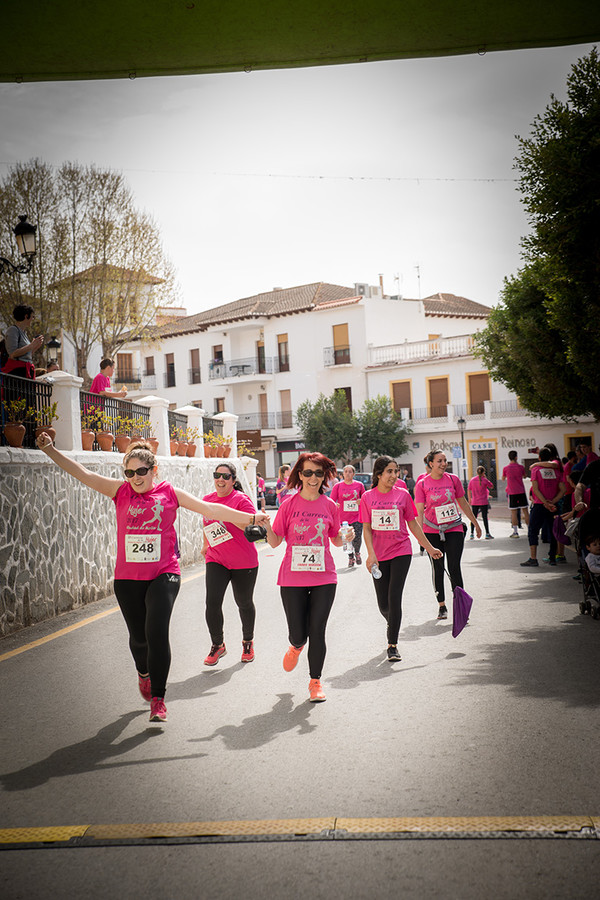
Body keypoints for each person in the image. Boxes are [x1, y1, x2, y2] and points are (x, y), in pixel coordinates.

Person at [35, 433, 269, 723]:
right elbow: (83, 473)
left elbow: (210, 509)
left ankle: (158, 699)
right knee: (138, 639)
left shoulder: (170, 493)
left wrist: (250, 519)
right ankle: (143, 673)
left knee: (156, 631)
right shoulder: (120, 491)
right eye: (129, 472)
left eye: (141, 472)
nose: (135, 477)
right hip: (128, 578)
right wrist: (49, 450)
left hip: (164, 573)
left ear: (154, 470)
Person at [264, 452, 350, 702]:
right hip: (292, 579)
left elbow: (335, 539)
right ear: (299, 475)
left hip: (324, 577)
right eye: (308, 472)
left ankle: (315, 682)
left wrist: (345, 538)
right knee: (299, 634)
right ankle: (296, 645)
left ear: (325, 476)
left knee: (318, 630)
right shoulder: (289, 505)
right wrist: (267, 525)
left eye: (319, 473)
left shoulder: (331, 506)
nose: (313, 478)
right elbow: (275, 542)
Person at [360, 456, 442, 661]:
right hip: (379, 556)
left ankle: (392, 645)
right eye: (389, 471)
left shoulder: (403, 495)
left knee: (394, 598)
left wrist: (430, 548)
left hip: (401, 551)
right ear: (379, 474)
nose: (394, 475)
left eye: (396, 471)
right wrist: (371, 554)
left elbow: (413, 524)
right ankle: (393, 621)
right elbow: (367, 529)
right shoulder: (367, 497)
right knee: (383, 605)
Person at [201, 462, 260, 666]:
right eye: (217, 475)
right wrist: (205, 545)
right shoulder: (207, 501)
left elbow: (251, 523)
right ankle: (218, 645)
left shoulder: (240, 499)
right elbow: (207, 524)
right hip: (216, 558)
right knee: (212, 603)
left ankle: (247, 641)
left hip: (244, 561)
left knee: (243, 602)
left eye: (226, 476)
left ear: (233, 481)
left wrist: (225, 513)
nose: (221, 479)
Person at [415, 449, 482, 620]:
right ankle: (442, 606)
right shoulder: (422, 484)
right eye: (439, 461)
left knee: (454, 567)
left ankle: (460, 608)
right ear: (431, 463)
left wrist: (475, 523)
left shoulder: (453, 480)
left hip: (454, 528)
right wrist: (421, 537)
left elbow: (463, 503)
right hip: (432, 531)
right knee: (438, 569)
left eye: (445, 460)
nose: (443, 464)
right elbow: (419, 511)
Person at [520, 447, 565, 568]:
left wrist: (545, 502)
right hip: (553, 506)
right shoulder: (557, 470)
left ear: (539, 458)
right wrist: (552, 502)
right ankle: (552, 558)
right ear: (550, 458)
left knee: (533, 531)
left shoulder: (536, 469)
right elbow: (563, 490)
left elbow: (535, 489)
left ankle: (533, 558)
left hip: (540, 505)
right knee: (553, 531)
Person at [330, 464, 366, 566]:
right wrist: (335, 505)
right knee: (346, 539)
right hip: (343, 518)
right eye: (346, 472)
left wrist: (360, 501)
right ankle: (350, 557)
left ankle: (357, 552)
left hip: (357, 516)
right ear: (343, 474)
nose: (348, 474)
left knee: (357, 537)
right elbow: (331, 500)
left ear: (354, 474)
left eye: (350, 472)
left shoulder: (359, 485)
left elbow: (365, 498)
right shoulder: (338, 486)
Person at [2, 304, 44, 379]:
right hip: (17, 374)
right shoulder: (13, 330)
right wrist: (31, 345)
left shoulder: (24, 333)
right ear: (26, 316)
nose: (33, 319)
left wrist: (35, 346)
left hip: (25, 372)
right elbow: (12, 354)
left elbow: (25, 355)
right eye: (32, 316)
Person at [501, 450, 530, 538]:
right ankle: (529, 531)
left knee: (514, 512)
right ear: (516, 457)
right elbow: (524, 476)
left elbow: (503, 478)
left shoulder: (506, 468)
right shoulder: (521, 467)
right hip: (521, 491)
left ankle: (515, 532)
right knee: (525, 511)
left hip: (512, 492)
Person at [468, 466, 494, 539]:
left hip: (475, 501)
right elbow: (491, 486)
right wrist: (485, 478)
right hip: (483, 502)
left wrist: (470, 499)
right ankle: (487, 533)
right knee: (485, 517)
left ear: (476, 472)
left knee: (474, 518)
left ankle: (472, 534)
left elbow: (468, 489)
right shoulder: (484, 480)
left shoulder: (472, 480)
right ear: (483, 473)